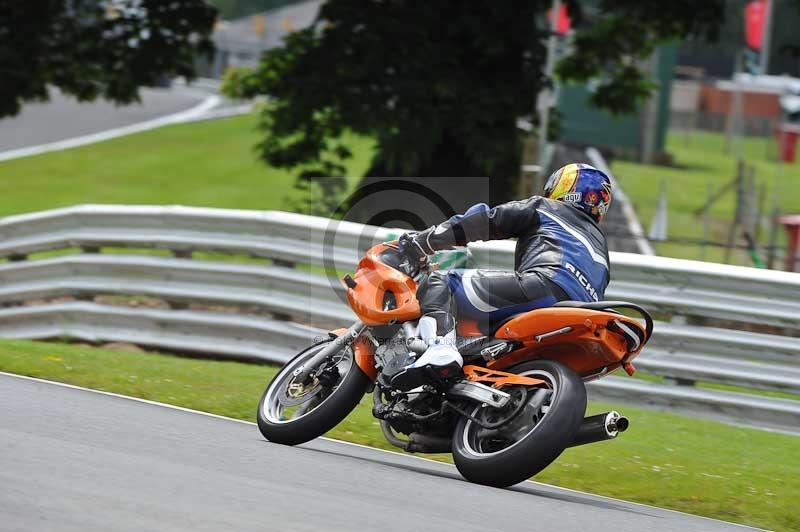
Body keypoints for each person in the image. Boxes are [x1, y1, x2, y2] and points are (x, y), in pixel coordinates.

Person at [391, 163, 613, 390]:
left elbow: (485, 221)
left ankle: (440, 349)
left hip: (542, 289)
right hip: (580, 314)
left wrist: (426, 240)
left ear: (567, 187)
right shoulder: (602, 250)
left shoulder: (546, 208)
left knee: (441, 281)